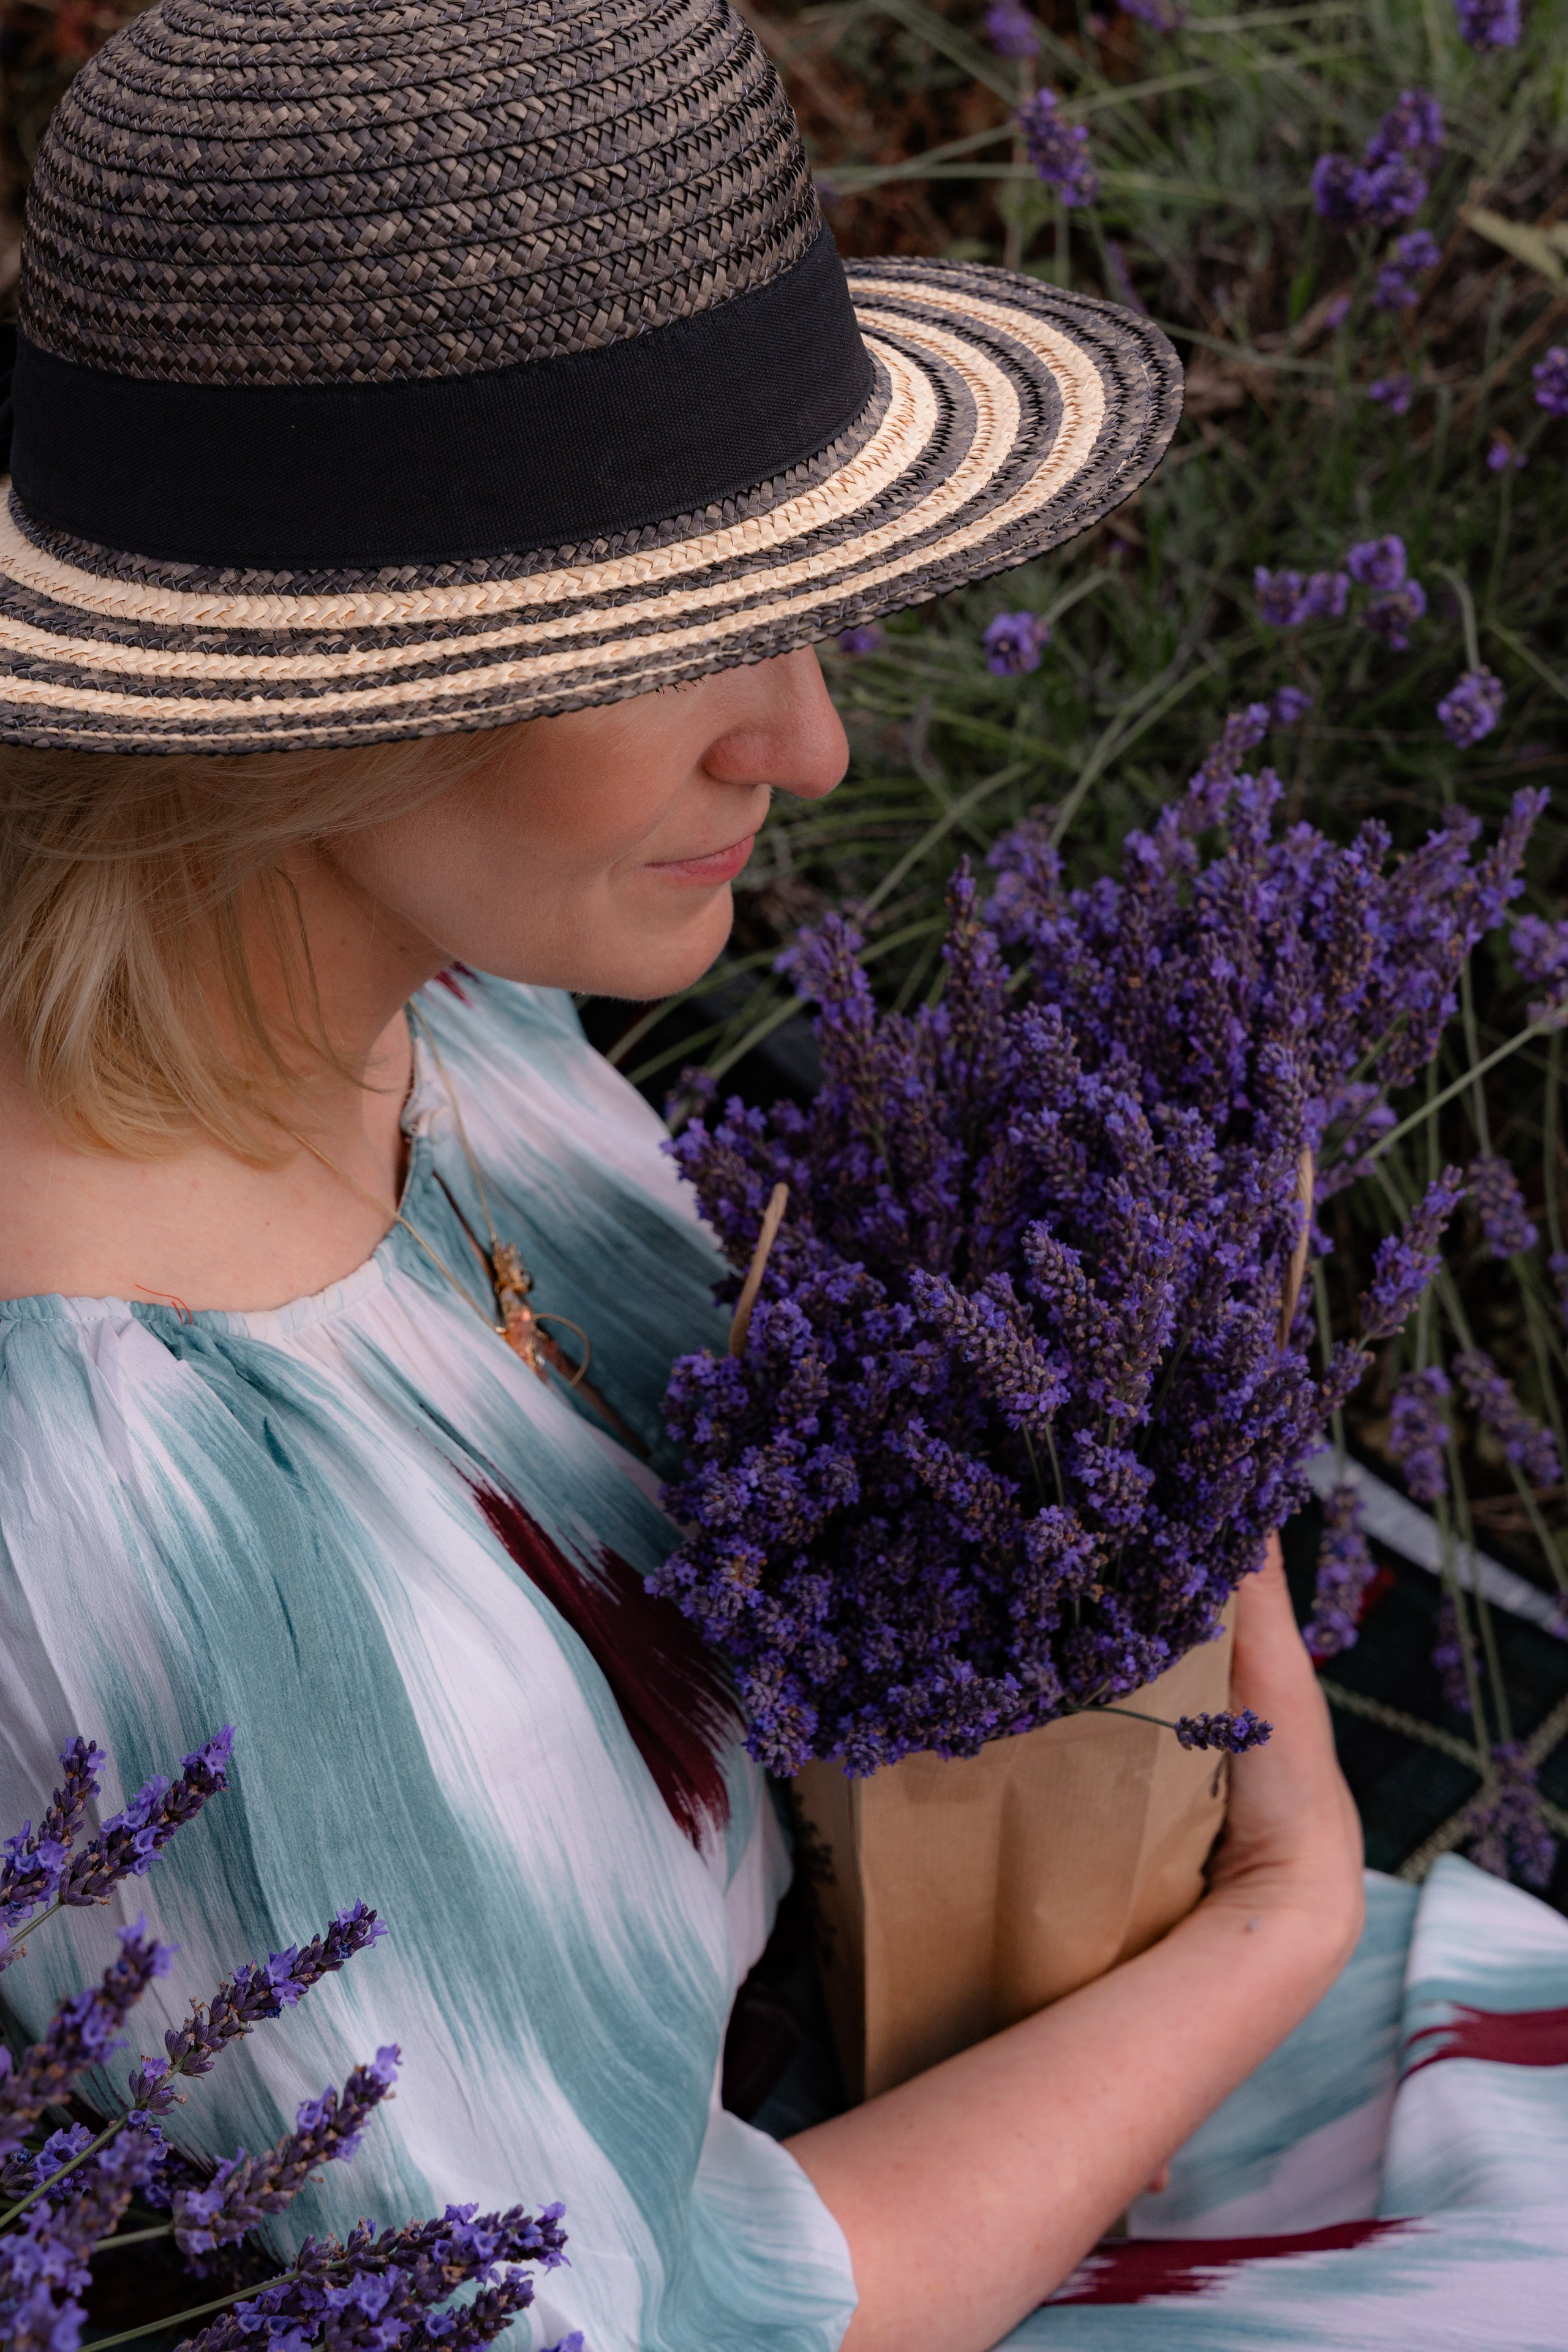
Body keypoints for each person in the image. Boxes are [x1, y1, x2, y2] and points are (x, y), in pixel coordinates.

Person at [0, 7, 1559, 2351]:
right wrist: (1274, 1925)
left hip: (933, 2030)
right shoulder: (150, 1521)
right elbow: (675, 2312)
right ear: (324, 681)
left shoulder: (410, 990)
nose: (813, 741)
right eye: (680, 633)